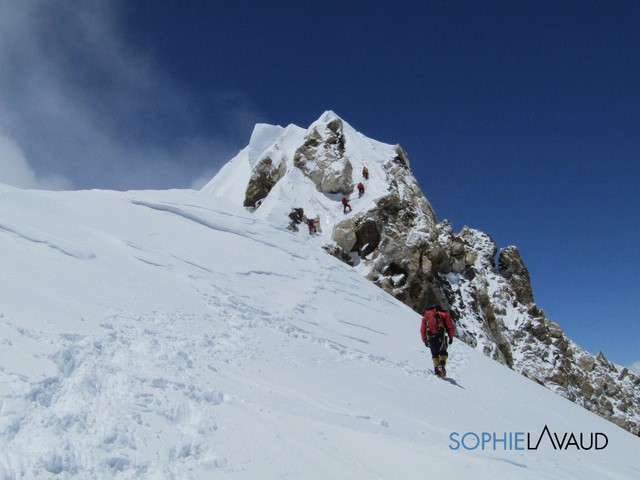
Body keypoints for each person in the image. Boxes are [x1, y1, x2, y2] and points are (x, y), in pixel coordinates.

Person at [420, 305, 455, 377]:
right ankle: (441, 365)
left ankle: (437, 370)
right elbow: (450, 326)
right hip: (441, 337)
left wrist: (425, 340)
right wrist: (451, 337)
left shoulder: (425, 317)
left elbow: (422, 330)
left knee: (435, 355)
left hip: (430, 339)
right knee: (443, 354)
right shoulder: (444, 315)